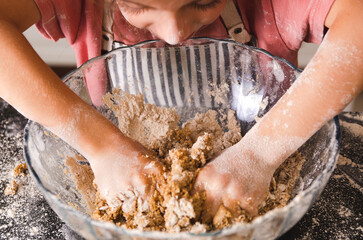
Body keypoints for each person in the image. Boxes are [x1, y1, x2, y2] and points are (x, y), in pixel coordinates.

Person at [0, 0, 362, 222]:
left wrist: (260, 153)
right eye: (139, 6)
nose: (174, 34)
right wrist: (99, 144)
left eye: (203, 1)